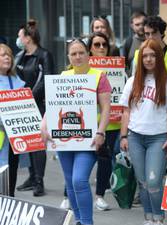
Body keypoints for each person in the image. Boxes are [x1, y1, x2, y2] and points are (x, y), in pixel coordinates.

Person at [41, 39, 111, 225]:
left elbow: (106, 108)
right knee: (71, 182)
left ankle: (87, 222)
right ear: (68, 57)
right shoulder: (64, 75)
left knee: (79, 180)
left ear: (88, 54)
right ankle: (79, 220)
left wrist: (101, 132)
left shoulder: (99, 76)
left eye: (81, 52)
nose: (78, 57)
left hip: (88, 139)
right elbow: (54, 105)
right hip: (64, 139)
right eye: (73, 54)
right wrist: (44, 124)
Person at [119, 39, 167, 225]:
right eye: (145, 55)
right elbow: (126, 111)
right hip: (135, 137)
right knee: (142, 182)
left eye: (152, 55)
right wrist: (123, 136)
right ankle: (149, 217)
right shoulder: (132, 81)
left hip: (158, 138)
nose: (148, 59)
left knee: (154, 182)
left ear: (159, 57)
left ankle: (159, 218)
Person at [14, 19, 55, 197]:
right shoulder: (21, 56)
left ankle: (39, 180)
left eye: (20, 36)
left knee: (38, 143)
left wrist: (29, 96)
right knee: (27, 141)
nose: (18, 39)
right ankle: (31, 177)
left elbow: (47, 80)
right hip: (23, 104)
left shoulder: (44, 55)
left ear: (28, 38)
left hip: (39, 104)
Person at [132, 15, 167, 94]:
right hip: (147, 103)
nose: (151, 37)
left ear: (162, 33)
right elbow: (134, 83)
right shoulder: (138, 54)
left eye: (154, 33)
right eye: (147, 34)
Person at [0, 44, 26, 197]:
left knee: (12, 171)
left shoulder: (16, 80)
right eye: (3, 55)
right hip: (2, 136)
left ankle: (9, 202)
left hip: (14, 138)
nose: (7, 58)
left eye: (9, 55)